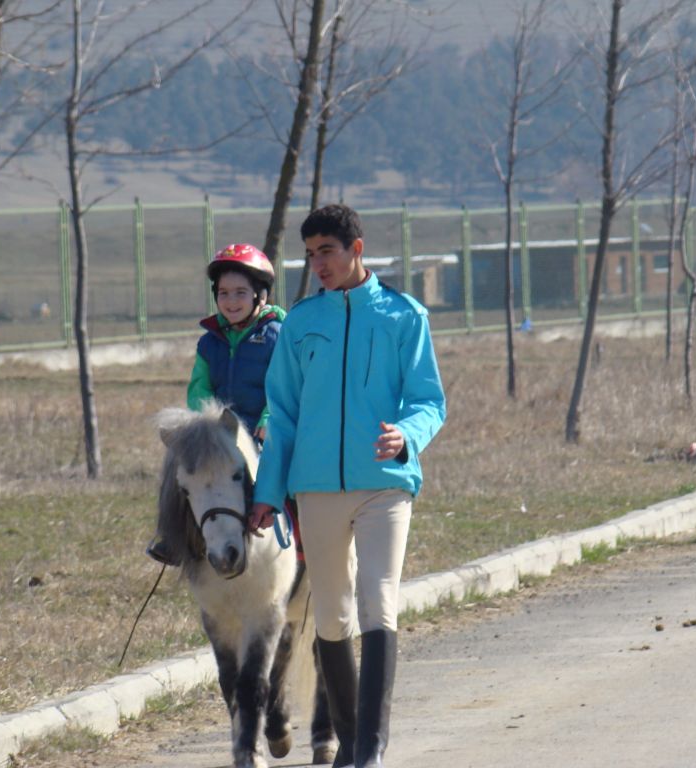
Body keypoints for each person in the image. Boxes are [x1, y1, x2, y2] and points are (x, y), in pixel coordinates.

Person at [249, 204, 446, 768]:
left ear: (356, 249)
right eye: (309, 254)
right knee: (331, 614)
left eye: (326, 252)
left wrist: (406, 436)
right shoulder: (302, 324)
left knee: (377, 601)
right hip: (315, 487)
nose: (317, 264)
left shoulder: (404, 316)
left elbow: (428, 400)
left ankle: (371, 750)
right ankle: (352, 740)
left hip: (385, 484)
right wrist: (268, 491)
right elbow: (281, 414)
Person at [147, 243, 286, 566]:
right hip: (220, 434)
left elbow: (283, 387)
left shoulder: (278, 336)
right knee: (183, 471)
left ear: (260, 295)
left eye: (240, 292)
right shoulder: (210, 342)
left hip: (264, 431)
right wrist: (203, 426)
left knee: (286, 475)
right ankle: (175, 538)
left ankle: (304, 541)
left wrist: (270, 418)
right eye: (223, 293)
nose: (231, 301)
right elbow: (199, 389)